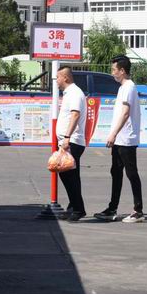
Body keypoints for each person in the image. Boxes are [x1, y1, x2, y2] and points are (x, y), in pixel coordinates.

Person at [94, 56, 144, 223]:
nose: (112, 73)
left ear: (122, 71)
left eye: (114, 70)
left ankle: (138, 210)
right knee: (116, 172)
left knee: (131, 173)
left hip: (126, 138)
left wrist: (113, 134)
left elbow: (125, 113)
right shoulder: (123, 87)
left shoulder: (129, 87)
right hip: (119, 139)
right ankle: (112, 208)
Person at [55, 66, 87, 222]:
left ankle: (78, 209)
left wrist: (67, 137)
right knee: (67, 174)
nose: (56, 81)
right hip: (67, 141)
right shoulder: (69, 93)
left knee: (69, 175)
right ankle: (73, 207)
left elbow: (75, 115)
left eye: (58, 77)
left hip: (72, 141)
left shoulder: (74, 93)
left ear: (65, 78)